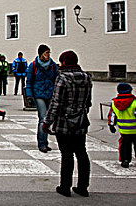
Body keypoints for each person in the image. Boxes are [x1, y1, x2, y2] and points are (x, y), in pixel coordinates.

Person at [42, 50, 92, 198]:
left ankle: (65, 186)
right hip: (81, 121)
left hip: (64, 122)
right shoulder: (86, 77)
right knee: (82, 153)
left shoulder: (62, 78)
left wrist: (47, 122)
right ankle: (83, 187)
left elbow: (56, 103)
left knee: (67, 154)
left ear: (64, 62)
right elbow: (88, 102)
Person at [26, 44, 59, 153]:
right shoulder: (34, 65)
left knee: (49, 118)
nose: (48, 55)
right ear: (41, 54)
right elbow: (29, 81)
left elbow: (57, 79)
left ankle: (46, 141)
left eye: (49, 53)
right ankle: (42, 143)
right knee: (43, 118)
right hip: (38, 94)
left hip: (50, 94)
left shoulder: (53, 65)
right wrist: (29, 96)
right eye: (46, 53)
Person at [108, 83, 136, 169]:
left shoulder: (114, 103)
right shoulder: (134, 102)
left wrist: (111, 125)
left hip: (123, 130)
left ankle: (125, 160)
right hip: (135, 128)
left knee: (124, 145)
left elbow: (112, 115)